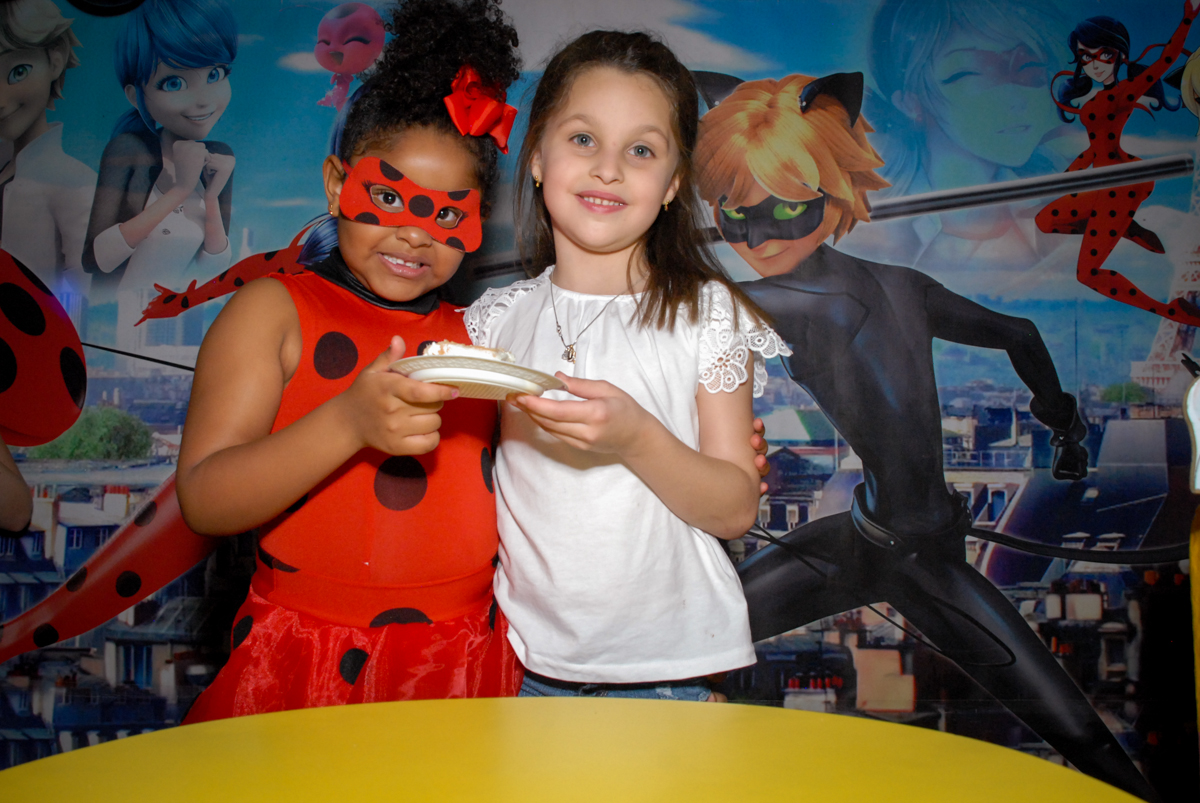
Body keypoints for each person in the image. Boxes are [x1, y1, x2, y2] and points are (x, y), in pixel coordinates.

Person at [694, 70, 1158, 801]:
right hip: (871, 534)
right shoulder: (898, 284)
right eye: (734, 215)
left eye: (785, 211)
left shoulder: (783, 299)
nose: (757, 237)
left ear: (831, 196)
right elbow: (1022, 333)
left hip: (918, 556)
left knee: (1085, 739)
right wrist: (1062, 419)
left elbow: (669, 314)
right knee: (1087, 741)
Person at [173, 0, 525, 722]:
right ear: (337, 184)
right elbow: (205, 497)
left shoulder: (484, 330)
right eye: (388, 196)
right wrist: (348, 422)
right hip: (305, 662)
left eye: (446, 213)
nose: (412, 232)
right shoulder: (272, 311)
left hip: (461, 665)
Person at [465, 30, 789, 701]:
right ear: (536, 158)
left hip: (666, 673)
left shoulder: (708, 313)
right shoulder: (493, 322)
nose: (608, 167)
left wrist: (638, 437)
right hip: (523, 670)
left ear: (672, 184)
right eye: (583, 138)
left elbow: (734, 507)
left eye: (640, 149)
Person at [840, 0, 1072, 279]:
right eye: (970, 73)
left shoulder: (1061, 206)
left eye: (1029, 68)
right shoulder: (871, 225)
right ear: (909, 102)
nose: (1016, 99)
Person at [81, 0, 237, 351]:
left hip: (181, 323)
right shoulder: (129, 150)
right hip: (122, 324)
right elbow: (97, 258)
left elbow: (215, 263)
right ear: (137, 96)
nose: (203, 101)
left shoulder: (219, 156)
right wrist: (179, 190)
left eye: (215, 75)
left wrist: (210, 197)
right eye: (173, 82)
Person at [1035, 2, 1200, 326]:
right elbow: (1095, 149)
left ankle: (1172, 312)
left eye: (1104, 55)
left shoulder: (1124, 93)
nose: (1095, 64)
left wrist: (1188, 18)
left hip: (1121, 184)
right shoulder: (1093, 99)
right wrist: (1070, 176)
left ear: (1119, 55)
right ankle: (1127, 227)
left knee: (1088, 273)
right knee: (1045, 220)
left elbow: (1165, 60)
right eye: (1086, 56)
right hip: (1101, 181)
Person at [0, 0, 95, 301]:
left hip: (35, 338)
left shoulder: (74, 180)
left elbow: (83, 293)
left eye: (18, 72)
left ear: (56, 61)